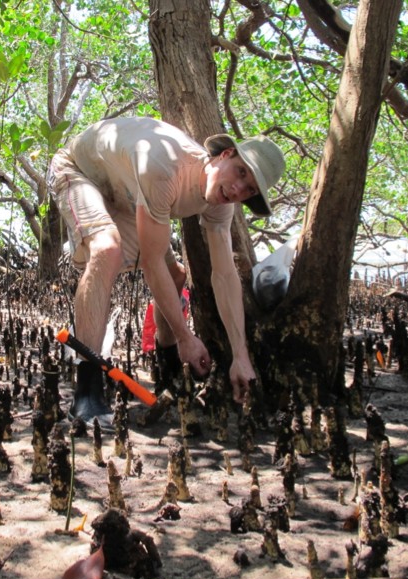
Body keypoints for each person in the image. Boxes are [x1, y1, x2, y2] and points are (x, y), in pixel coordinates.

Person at [48, 116, 285, 428]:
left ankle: (169, 368)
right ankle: (87, 390)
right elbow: (151, 261)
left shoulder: (223, 201)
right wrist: (187, 335)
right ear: (224, 155)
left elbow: (225, 275)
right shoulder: (165, 167)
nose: (238, 188)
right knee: (107, 249)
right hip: (77, 170)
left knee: (176, 277)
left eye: (249, 189)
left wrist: (240, 355)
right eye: (241, 172)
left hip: (124, 191)